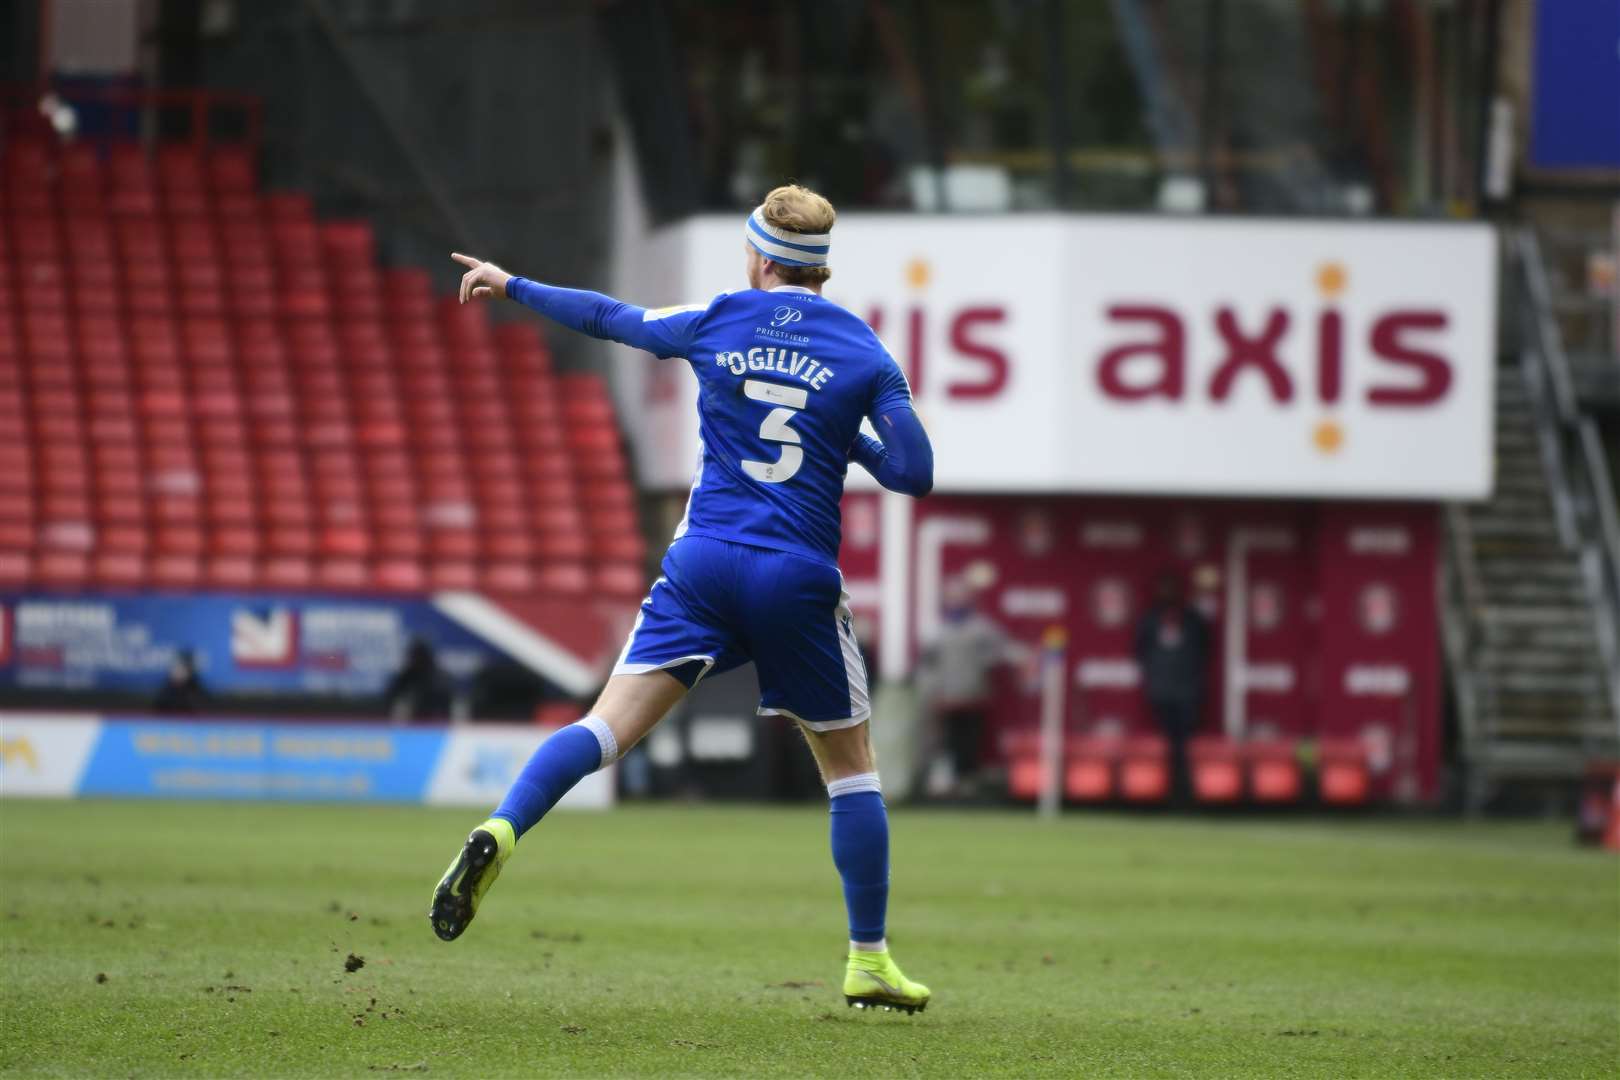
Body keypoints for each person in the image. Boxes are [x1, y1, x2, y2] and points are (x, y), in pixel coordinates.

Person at [432, 185, 936, 1014]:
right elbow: (914, 473)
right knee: (852, 776)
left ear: (760, 258)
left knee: (605, 726)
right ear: (819, 268)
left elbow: (609, 317)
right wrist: (850, 436)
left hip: (702, 560)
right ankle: (868, 958)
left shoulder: (721, 318)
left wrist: (511, 283)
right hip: (793, 572)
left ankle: (503, 827)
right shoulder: (865, 352)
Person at [1132, 571, 1211, 807]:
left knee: (1186, 746)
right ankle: (1163, 792)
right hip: (1161, 692)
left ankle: (1187, 793)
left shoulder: (1192, 618)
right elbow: (1140, 650)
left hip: (1188, 693)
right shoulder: (1150, 619)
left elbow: (1205, 648)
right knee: (1165, 746)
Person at [384, 637, 448, 723]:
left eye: (418, 657)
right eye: (413, 657)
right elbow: (391, 697)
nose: (414, 660)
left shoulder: (438, 678)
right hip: (413, 724)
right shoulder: (407, 675)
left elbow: (445, 708)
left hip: (435, 724)